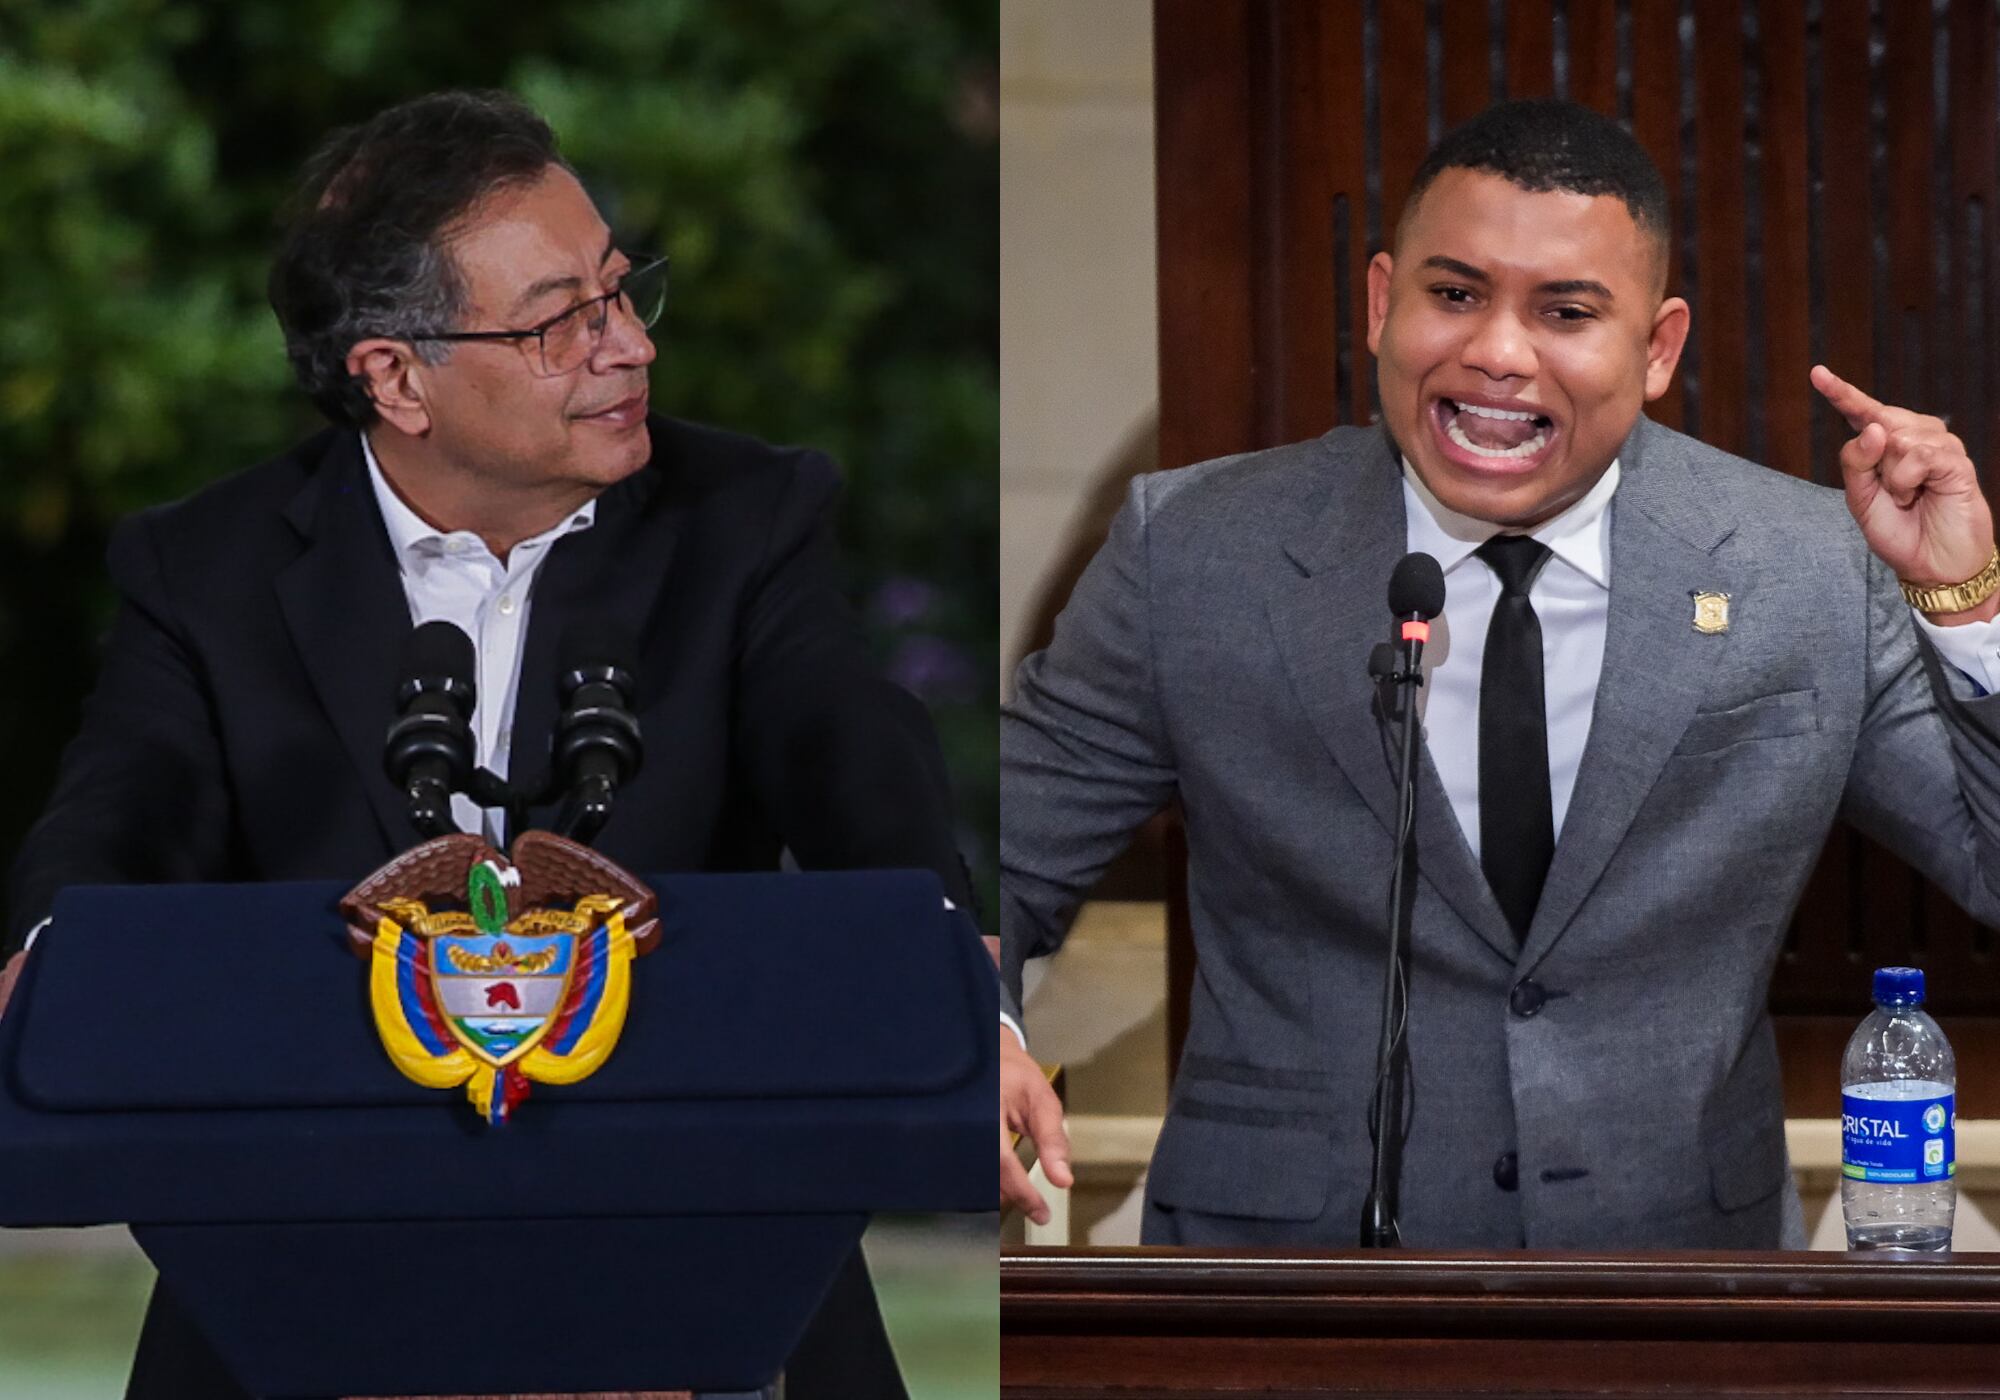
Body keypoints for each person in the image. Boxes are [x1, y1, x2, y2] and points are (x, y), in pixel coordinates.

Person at [1, 90, 970, 1400]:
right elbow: (126, 806)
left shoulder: (748, 515)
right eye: (561, 322)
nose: (625, 348)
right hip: (308, 1251)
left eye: (623, 294)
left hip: (703, 1253)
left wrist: (957, 939)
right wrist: (47, 963)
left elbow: (850, 747)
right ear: (397, 377)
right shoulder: (205, 567)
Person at [999, 98, 2000, 1248]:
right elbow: (999, 856)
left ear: (1657, 346)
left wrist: (1962, 603)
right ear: (1381, 302)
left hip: (1672, 1279)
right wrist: (975, 1025)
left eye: (1565, 311)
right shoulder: (1192, 551)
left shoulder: (1807, 564)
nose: (1495, 353)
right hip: (1280, 1281)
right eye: (1453, 293)